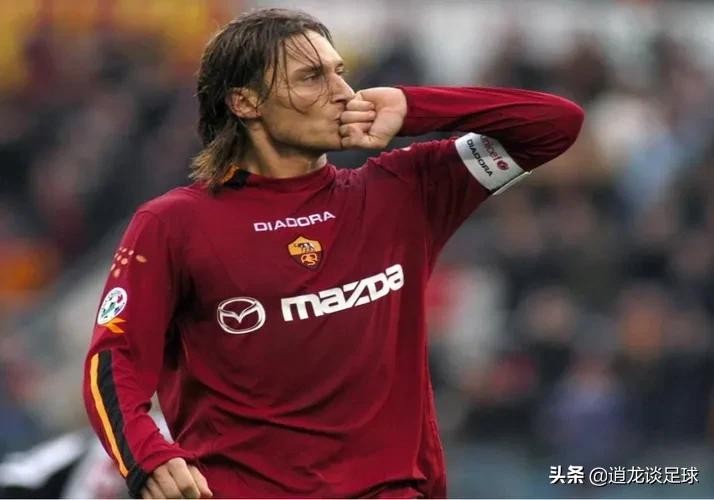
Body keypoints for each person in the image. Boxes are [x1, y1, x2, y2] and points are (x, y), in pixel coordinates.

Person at [82, 8, 584, 499]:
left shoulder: (403, 192)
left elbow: (555, 124)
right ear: (245, 101)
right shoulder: (174, 224)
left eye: (339, 71)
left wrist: (413, 106)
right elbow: (114, 359)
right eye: (311, 77)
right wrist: (147, 456)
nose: (343, 92)